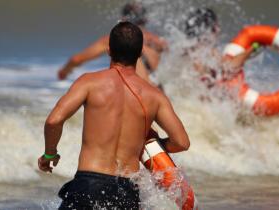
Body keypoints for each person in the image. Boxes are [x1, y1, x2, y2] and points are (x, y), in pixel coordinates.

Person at [38, 21, 190, 209]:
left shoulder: (89, 82)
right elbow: (181, 142)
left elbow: (54, 120)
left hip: (90, 185)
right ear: (140, 53)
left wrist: (49, 154)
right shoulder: (155, 96)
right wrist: (150, 146)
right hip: (127, 190)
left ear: (108, 50)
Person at [58, 2, 167, 86]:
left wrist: (64, 71)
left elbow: (76, 59)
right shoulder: (158, 42)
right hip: (157, 93)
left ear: (123, 19)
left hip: (137, 93)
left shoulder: (118, 38)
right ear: (145, 19)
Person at [184, 8, 260, 89]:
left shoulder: (187, 50)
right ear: (209, 29)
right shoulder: (208, 51)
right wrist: (253, 48)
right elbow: (230, 68)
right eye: (216, 27)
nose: (219, 30)